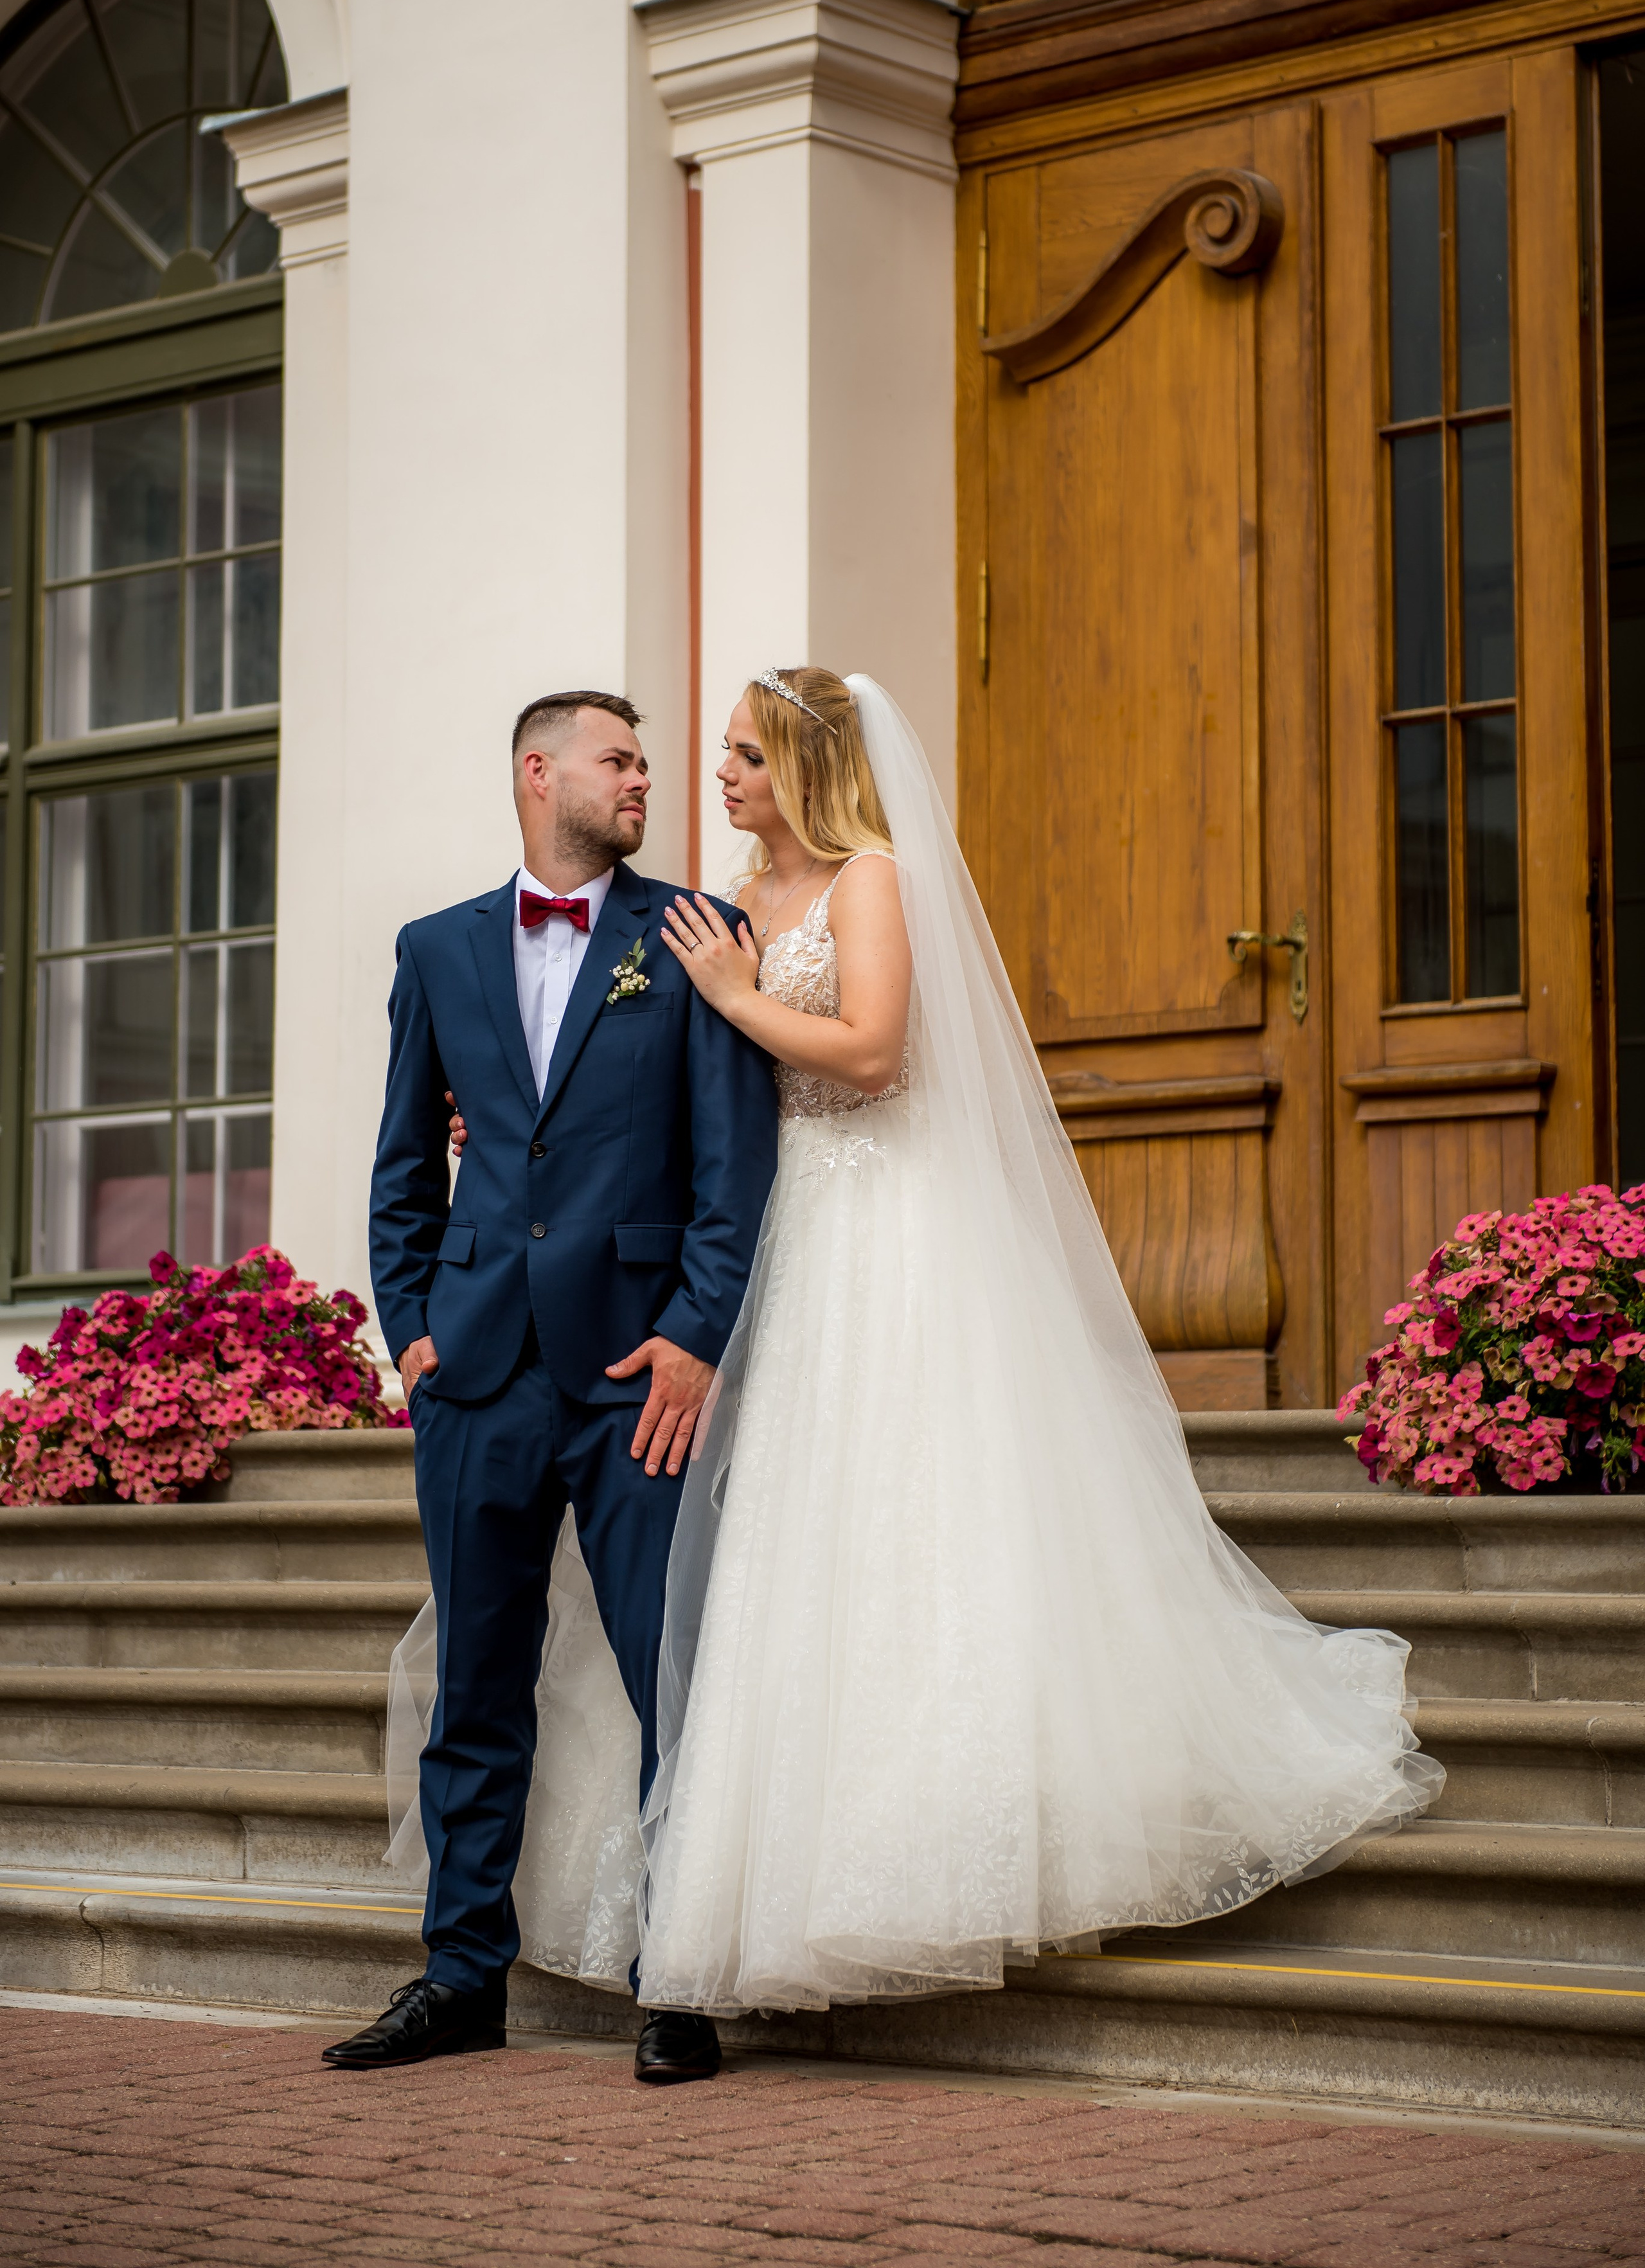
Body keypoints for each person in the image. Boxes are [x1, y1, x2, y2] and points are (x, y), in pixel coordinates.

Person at [429, 667, 1442, 2054]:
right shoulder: (719, 904)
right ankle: (717, 1891)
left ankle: (911, 1849)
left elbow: (875, 1051)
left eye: (739, 753)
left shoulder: (862, 883)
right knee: (765, 1561)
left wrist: (731, 995)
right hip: (766, 1240)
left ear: (801, 763)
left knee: (907, 1517)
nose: (710, 773)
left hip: (878, 1223)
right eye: (702, 753)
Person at [333, 691, 776, 2084]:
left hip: (637, 1371)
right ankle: (460, 1975)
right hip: (473, 1373)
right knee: (476, 1685)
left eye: (647, 761)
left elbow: (732, 1163)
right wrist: (408, 1326)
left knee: (669, 1676)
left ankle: (679, 1976)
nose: (645, 777)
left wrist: (699, 1332)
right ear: (540, 775)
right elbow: (403, 1159)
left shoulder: (690, 934)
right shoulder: (438, 949)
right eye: (619, 758)